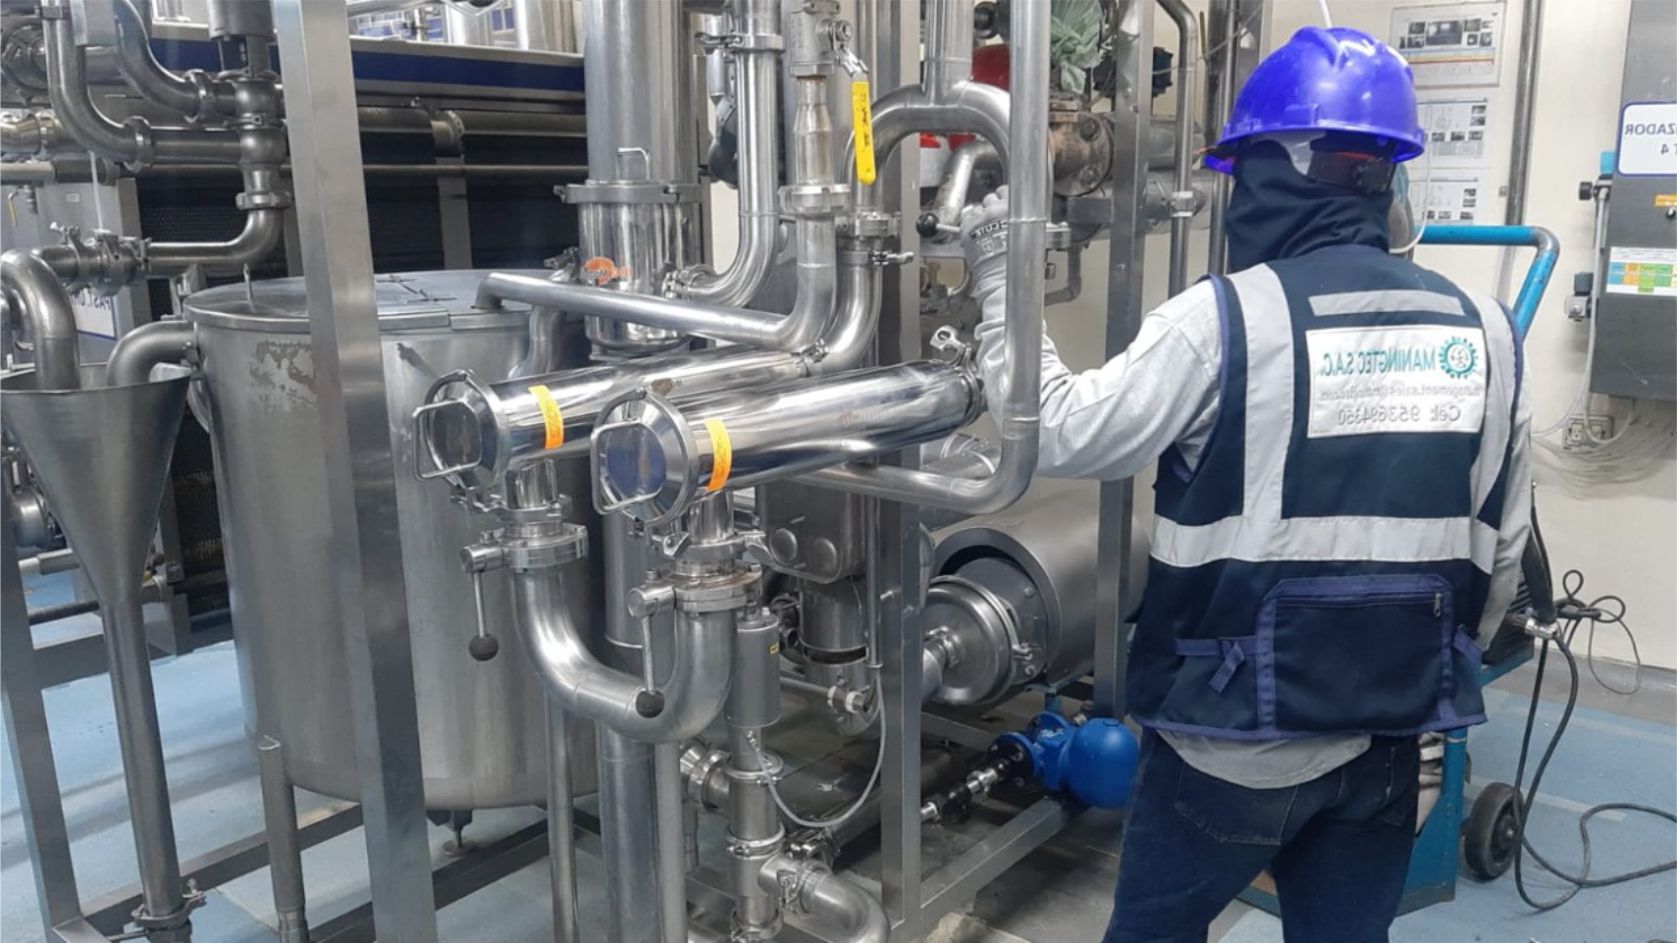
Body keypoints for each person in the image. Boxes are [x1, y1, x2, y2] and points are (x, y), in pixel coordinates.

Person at [960, 26, 1532, 943]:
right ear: (1385, 178)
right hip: (1389, 738)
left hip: (1226, 749)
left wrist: (999, 273)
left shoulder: (1225, 319)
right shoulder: (1490, 334)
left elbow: (1058, 428)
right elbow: (1502, 557)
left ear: (1269, 174)